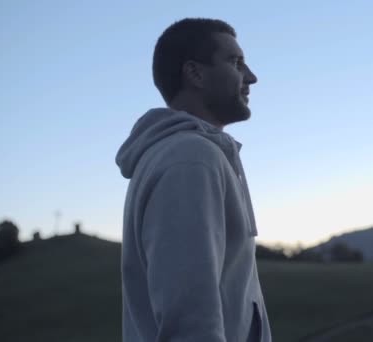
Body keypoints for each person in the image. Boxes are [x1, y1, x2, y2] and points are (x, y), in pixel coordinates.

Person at [115, 18, 272, 342]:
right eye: (235, 62)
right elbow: (190, 324)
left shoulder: (189, 155)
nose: (251, 77)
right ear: (195, 73)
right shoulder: (190, 159)